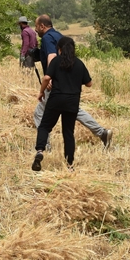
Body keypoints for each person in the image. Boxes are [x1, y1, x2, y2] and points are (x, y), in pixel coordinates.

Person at [32, 15, 113, 149]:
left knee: (40, 113)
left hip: (55, 83)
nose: (35, 30)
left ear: (42, 26)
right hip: (67, 82)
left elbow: (52, 57)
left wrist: (50, 77)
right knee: (74, 110)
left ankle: (44, 145)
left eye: (36, 27)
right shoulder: (59, 36)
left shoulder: (46, 38)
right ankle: (102, 133)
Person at [33, 36, 91, 171]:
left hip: (56, 99)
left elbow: (47, 77)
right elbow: (89, 83)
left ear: (59, 49)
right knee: (68, 133)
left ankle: (40, 151)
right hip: (72, 101)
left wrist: (41, 92)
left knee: (45, 127)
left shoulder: (56, 61)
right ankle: (70, 165)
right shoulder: (79, 63)